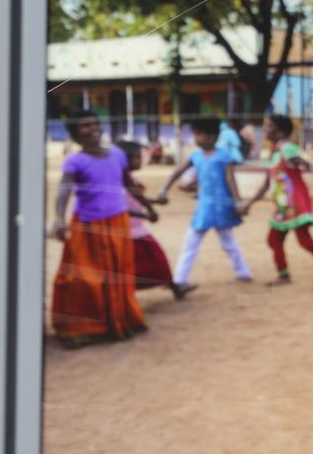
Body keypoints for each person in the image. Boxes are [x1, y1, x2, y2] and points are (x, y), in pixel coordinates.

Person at [50, 109, 147, 347]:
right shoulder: (75, 161)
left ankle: (117, 322)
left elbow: (129, 185)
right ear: (75, 134)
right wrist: (59, 218)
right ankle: (80, 329)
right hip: (88, 226)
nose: (93, 128)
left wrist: (149, 207)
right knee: (81, 278)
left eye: (95, 123)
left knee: (117, 275)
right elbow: (64, 190)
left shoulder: (117, 154)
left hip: (118, 222)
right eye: (85, 125)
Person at [240, 114, 313, 287]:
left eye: (270, 126)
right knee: (276, 240)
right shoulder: (274, 153)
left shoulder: (287, 148)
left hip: (295, 203)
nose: (266, 130)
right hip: (284, 206)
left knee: (303, 241)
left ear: (280, 132)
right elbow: (266, 184)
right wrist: (249, 203)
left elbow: (299, 161)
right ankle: (285, 274)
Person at [154, 116, 251, 296]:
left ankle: (242, 271)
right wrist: (164, 189)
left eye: (200, 134)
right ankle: (181, 279)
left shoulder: (224, 156)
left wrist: (238, 202)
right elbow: (178, 172)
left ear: (213, 136)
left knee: (226, 241)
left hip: (221, 205)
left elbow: (230, 178)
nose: (196, 138)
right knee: (195, 240)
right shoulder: (195, 156)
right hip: (205, 206)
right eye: (195, 134)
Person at [117, 140, 179, 299]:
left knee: (155, 259)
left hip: (137, 229)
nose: (141, 160)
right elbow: (122, 209)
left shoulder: (130, 179)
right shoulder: (118, 182)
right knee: (148, 261)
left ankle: (173, 285)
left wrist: (155, 202)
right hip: (128, 230)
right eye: (137, 157)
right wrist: (145, 214)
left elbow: (136, 198)